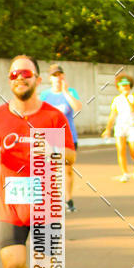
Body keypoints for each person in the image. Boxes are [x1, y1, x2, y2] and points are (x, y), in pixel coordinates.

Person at [0, 55, 75, 268]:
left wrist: (52, 149)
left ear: (37, 79)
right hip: (12, 205)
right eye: (13, 74)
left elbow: (70, 156)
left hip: (47, 204)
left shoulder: (53, 116)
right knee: (12, 267)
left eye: (25, 73)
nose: (19, 78)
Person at [40, 63, 82, 211]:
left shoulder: (70, 92)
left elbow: (77, 107)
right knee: (50, 170)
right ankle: (52, 200)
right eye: (54, 75)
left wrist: (65, 92)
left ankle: (68, 200)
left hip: (68, 136)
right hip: (50, 137)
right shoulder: (45, 95)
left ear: (63, 76)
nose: (57, 78)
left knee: (67, 169)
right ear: (50, 78)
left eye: (59, 75)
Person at [101, 73, 134, 182]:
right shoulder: (116, 100)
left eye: (126, 85)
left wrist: (126, 97)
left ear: (130, 86)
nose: (125, 87)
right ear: (118, 87)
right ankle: (125, 173)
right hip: (120, 127)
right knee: (121, 150)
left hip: (133, 126)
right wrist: (108, 129)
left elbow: (133, 108)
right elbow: (112, 115)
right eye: (122, 85)